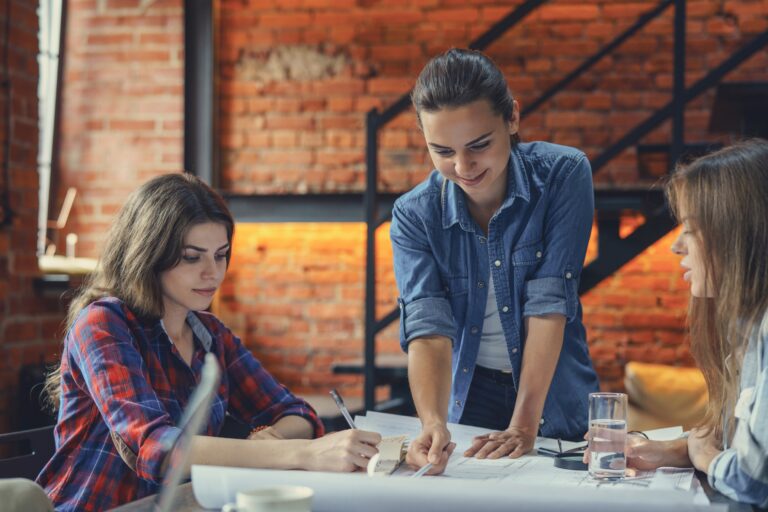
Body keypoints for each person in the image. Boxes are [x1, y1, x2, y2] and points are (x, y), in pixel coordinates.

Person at [37, 173, 381, 511]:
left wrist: (266, 437)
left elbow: (298, 414)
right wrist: (301, 454)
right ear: (148, 254)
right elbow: (156, 449)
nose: (213, 272)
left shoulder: (210, 334)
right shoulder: (103, 324)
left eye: (221, 254)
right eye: (192, 256)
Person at [390, 48, 599, 474]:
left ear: (513, 119)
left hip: (553, 394)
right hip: (469, 394)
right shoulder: (414, 215)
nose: (463, 166)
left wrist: (524, 425)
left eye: (479, 145)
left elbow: (549, 304)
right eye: (442, 151)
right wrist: (432, 421)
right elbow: (428, 328)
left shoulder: (563, 175)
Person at [585, 140, 768, 506]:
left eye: (692, 228)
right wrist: (669, 450)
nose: (677, 246)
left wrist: (704, 457)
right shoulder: (746, 323)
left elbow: (753, 481)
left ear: (737, 233)